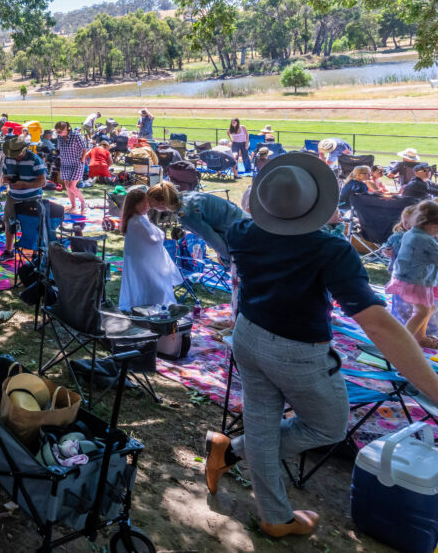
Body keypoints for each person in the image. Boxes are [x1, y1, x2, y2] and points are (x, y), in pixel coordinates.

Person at [204, 153, 438, 538]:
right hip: (297, 352)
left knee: (263, 427)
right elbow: (378, 325)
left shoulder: (243, 232)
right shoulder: (328, 249)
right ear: (315, 205)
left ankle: (270, 509)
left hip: (247, 334)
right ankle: (233, 454)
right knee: (328, 426)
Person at [146, 181, 247, 267]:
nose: (151, 208)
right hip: (243, 220)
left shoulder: (185, 214)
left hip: (242, 231)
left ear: (162, 203)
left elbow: (210, 237)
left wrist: (227, 259)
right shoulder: (185, 196)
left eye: (152, 205)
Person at [118, 189, 183, 311]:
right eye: (144, 203)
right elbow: (154, 238)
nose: (148, 206)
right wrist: (160, 235)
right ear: (134, 205)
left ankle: (151, 307)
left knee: (154, 286)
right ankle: (146, 307)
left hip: (147, 259)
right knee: (151, 286)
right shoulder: (135, 221)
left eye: (148, 203)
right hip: (142, 261)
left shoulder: (141, 218)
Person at [385, 200, 438, 348]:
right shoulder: (425, 239)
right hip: (415, 281)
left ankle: (419, 338)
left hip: (412, 279)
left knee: (428, 308)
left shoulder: (412, 233)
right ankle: (403, 343)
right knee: (422, 311)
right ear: (432, 226)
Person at [0, 136, 49, 260]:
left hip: (32, 198)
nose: (14, 156)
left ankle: (35, 252)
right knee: (9, 223)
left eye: (16, 153)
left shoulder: (35, 160)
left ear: (24, 149)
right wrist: (5, 180)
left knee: (32, 225)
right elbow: (3, 176)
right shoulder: (8, 159)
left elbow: (43, 182)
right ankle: (8, 251)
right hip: (13, 196)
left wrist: (25, 184)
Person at [53, 121, 86, 213]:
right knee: (67, 186)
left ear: (66, 128)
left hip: (76, 163)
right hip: (65, 163)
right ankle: (73, 207)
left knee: (72, 186)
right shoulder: (60, 137)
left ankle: (83, 202)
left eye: (60, 131)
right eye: (57, 132)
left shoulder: (76, 135)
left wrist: (82, 160)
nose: (58, 134)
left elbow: (84, 148)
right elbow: (59, 149)